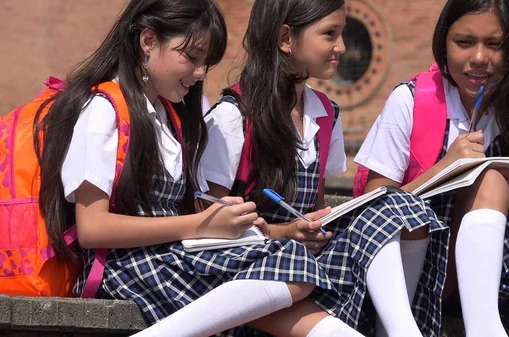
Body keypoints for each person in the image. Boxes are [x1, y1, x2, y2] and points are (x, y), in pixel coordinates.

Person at [34, 1, 358, 336]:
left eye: (206, 62)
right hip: (130, 266)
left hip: (173, 255)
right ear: (148, 41)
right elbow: (92, 228)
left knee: (299, 285)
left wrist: (223, 216)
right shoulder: (104, 109)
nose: (201, 73)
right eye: (191, 57)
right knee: (294, 267)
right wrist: (203, 225)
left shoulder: (168, 116)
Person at [202, 0, 445, 336]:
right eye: (330, 34)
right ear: (286, 38)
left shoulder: (325, 114)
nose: (341, 47)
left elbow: (313, 209)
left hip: (303, 267)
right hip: (245, 275)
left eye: (342, 33)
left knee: (393, 204)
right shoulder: (233, 117)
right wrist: (282, 233)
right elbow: (207, 228)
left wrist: (314, 227)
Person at [355, 0, 509, 336]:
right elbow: (374, 208)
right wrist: (447, 168)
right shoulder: (410, 100)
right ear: (443, 42)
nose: (479, 58)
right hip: (418, 273)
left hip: (502, 277)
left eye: (495, 44)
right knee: (489, 180)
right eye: (464, 42)